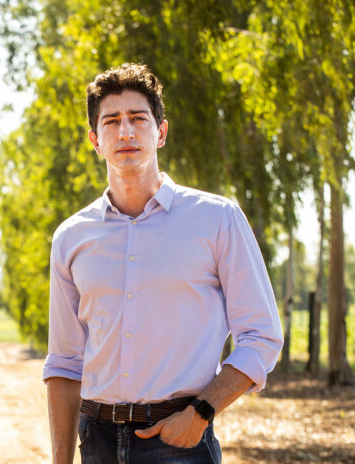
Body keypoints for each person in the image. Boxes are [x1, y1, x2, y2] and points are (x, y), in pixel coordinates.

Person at [43, 63, 283, 464]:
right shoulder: (71, 237)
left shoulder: (217, 219)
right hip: (96, 441)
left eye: (138, 118)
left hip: (180, 442)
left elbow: (261, 336)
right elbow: (66, 362)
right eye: (111, 121)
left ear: (161, 132)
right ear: (94, 140)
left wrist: (201, 413)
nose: (126, 131)